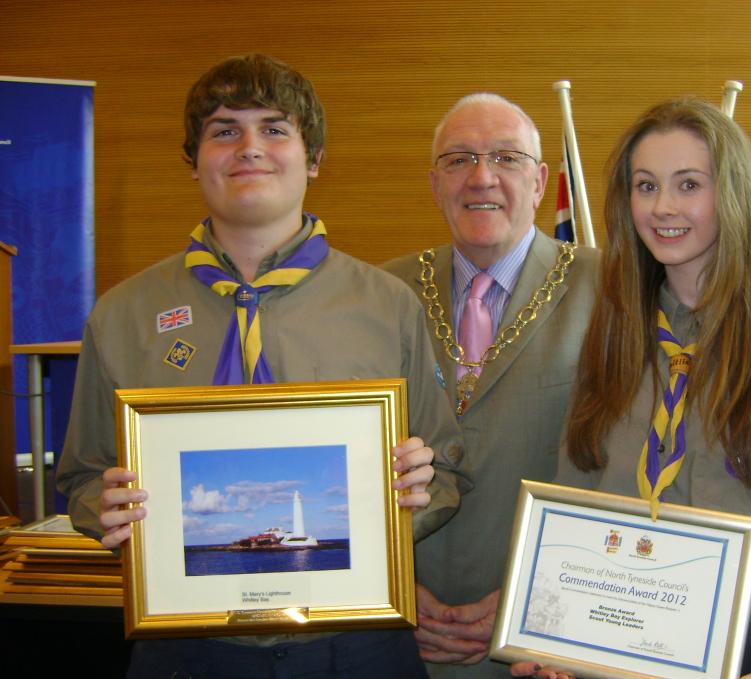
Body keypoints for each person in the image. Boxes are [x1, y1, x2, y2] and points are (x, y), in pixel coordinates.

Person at [55, 53, 466, 678]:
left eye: (274, 129)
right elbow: (83, 476)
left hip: (357, 643)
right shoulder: (122, 315)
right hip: (183, 650)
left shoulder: (388, 305)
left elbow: (448, 469)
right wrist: (103, 509)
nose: (249, 147)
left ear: (313, 158)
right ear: (193, 160)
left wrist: (414, 495)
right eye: (224, 130)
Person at [515, 99, 751, 679]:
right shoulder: (611, 332)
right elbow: (574, 495)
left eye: (688, 184)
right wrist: (549, 635)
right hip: (607, 639)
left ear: (732, 195)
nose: (663, 206)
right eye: (646, 185)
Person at [381, 93, 600, 678]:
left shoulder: (610, 291)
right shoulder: (381, 295)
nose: (481, 177)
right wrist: (389, 589)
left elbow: (629, 473)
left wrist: (538, 597)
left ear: (540, 180)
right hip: (400, 637)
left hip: (547, 643)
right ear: (435, 184)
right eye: (459, 160)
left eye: (506, 157)